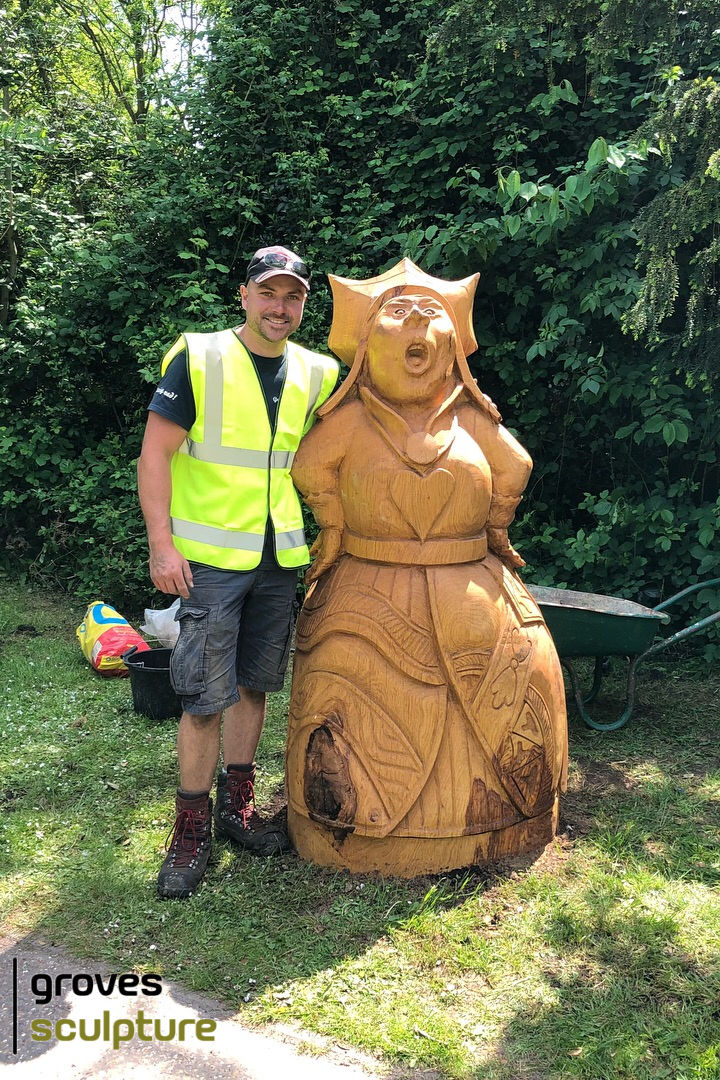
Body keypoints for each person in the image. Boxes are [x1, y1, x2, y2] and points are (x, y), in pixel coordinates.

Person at [137, 245, 338, 899]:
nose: (280, 308)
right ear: (244, 295)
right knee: (202, 699)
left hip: (278, 557)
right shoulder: (198, 357)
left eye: (293, 297)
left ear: (304, 305)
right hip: (210, 563)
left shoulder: (317, 371)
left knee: (253, 688)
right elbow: (156, 456)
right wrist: (162, 545)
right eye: (269, 293)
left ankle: (236, 812)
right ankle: (188, 835)